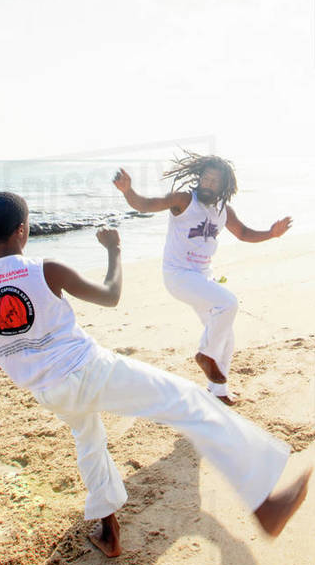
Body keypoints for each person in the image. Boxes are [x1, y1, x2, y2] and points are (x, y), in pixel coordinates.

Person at [0, 191, 310, 557]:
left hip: (49, 391)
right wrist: (113, 249)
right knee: (190, 401)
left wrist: (30, 351)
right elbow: (110, 295)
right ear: (23, 230)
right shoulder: (44, 269)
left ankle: (109, 533)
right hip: (88, 370)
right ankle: (265, 504)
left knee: (89, 443)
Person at [113, 153, 292, 405]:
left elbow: (242, 233)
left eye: (214, 181)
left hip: (202, 277)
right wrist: (128, 190)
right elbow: (146, 204)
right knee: (228, 304)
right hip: (178, 274)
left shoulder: (223, 211)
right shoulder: (184, 200)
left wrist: (271, 234)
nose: (207, 184)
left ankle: (217, 391)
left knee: (226, 336)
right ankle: (205, 356)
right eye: (205, 178)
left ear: (224, 186)